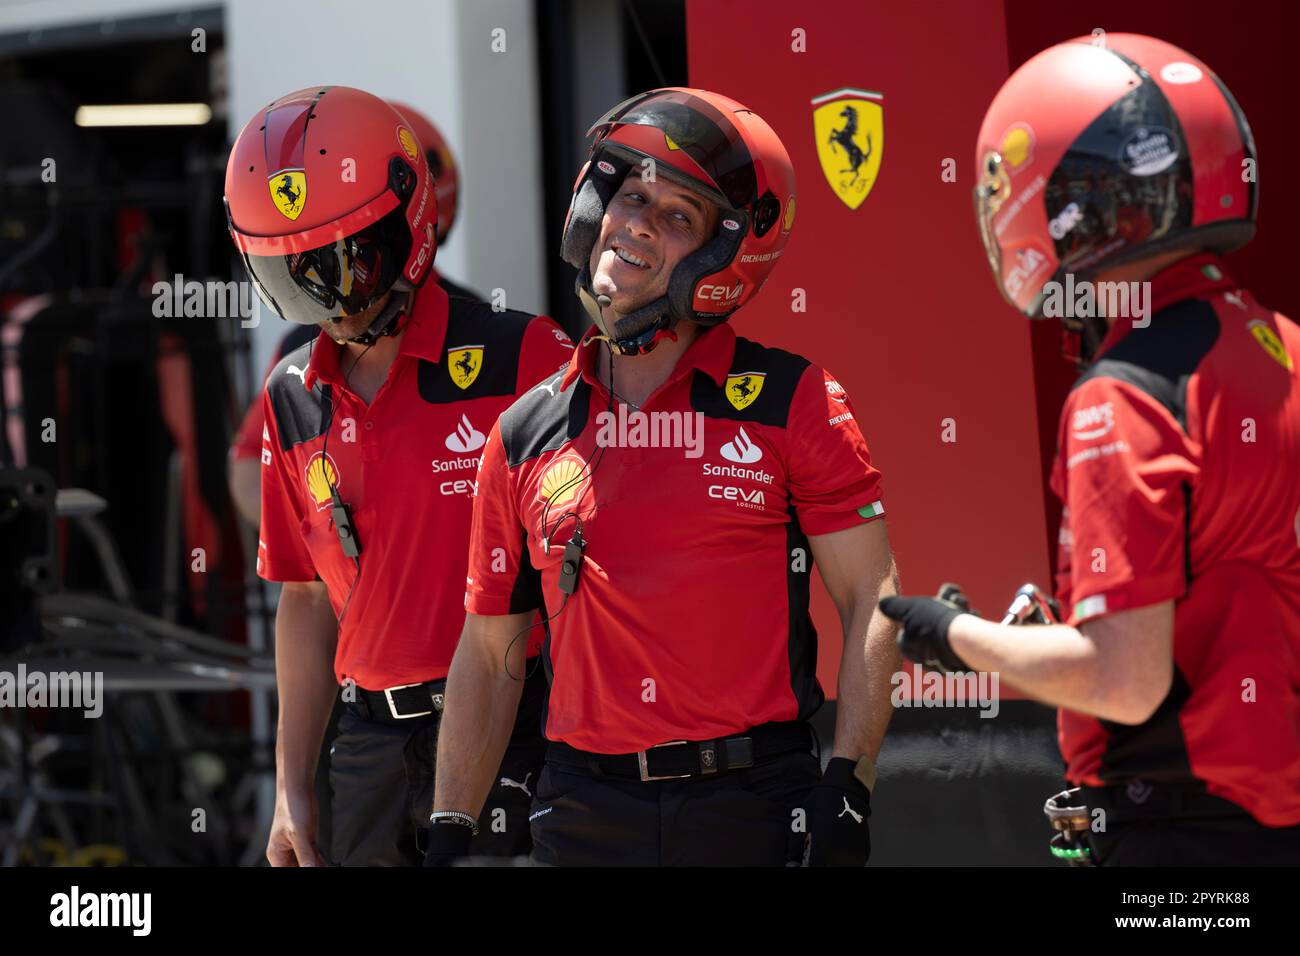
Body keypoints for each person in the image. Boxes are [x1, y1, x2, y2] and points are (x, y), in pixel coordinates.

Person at [428, 88, 900, 867]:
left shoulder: (795, 402)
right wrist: (449, 825)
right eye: (632, 195)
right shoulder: (520, 433)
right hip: (579, 811)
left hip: (750, 804)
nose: (639, 222)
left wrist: (849, 781)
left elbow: (872, 598)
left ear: (725, 258)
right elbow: (488, 652)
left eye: (679, 214)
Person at [880, 34, 1300, 865]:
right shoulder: (1280, 344)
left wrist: (952, 636)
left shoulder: (1126, 391)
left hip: (1184, 831)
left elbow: (1123, 681)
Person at [223, 85, 574, 866]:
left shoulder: (525, 357)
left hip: (516, 731)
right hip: (369, 751)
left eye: (345, 265)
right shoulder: (290, 395)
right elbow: (304, 600)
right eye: (295, 277)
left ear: (406, 222)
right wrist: (292, 789)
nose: (329, 302)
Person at [228, 100, 480, 527]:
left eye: (352, 245)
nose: (335, 307)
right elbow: (250, 464)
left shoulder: (501, 342)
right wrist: (324, 546)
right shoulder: (295, 359)